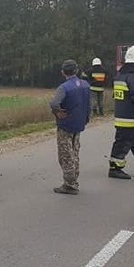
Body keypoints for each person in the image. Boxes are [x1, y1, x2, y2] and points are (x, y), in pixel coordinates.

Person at [49, 59, 91, 195]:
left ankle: (69, 183)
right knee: (75, 151)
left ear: (63, 72)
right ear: (76, 70)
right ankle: (74, 178)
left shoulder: (64, 87)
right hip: (79, 123)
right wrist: (86, 118)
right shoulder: (85, 85)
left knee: (65, 154)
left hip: (66, 124)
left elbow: (54, 103)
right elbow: (88, 105)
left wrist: (57, 112)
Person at [108, 45, 134, 179]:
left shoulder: (121, 75)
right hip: (131, 118)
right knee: (122, 144)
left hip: (124, 117)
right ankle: (115, 168)